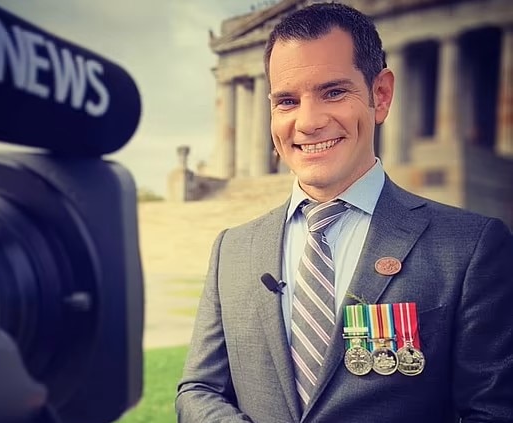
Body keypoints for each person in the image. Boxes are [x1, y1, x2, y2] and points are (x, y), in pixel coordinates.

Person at [175, 2, 513, 422]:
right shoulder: (234, 249)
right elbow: (199, 389)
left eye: (333, 92)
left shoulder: (469, 247)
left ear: (381, 95)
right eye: (286, 101)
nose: (308, 121)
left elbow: (492, 411)